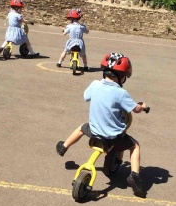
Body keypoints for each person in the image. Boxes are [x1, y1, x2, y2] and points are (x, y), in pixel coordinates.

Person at [56, 52, 148, 198]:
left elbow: (86, 96)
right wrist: (142, 106)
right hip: (113, 137)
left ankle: (64, 146)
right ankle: (135, 177)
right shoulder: (121, 93)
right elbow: (135, 109)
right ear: (121, 76)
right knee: (135, 146)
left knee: (81, 128)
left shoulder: (95, 84)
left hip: (94, 132)